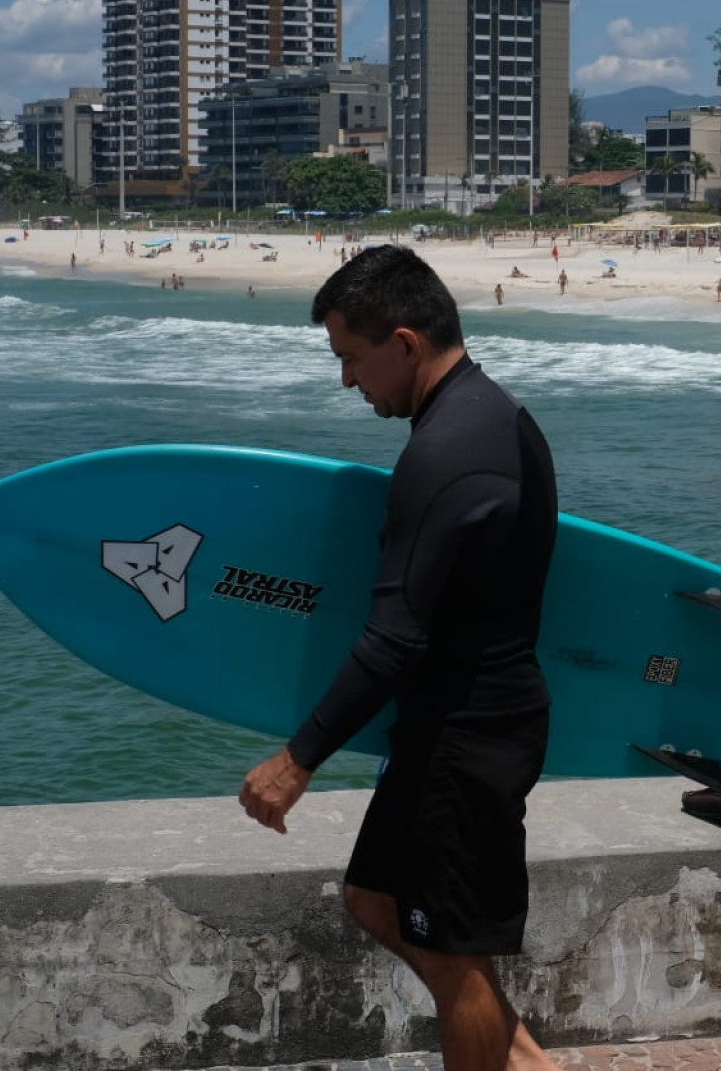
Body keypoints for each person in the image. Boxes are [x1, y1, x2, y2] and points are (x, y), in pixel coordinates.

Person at [240, 246, 559, 1071]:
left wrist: (297, 759)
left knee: (456, 959)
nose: (347, 380)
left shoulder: (448, 452)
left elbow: (395, 636)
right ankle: (530, 1064)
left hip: (469, 738)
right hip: (455, 725)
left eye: (352, 357)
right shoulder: (490, 415)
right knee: (375, 898)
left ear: (406, 343)